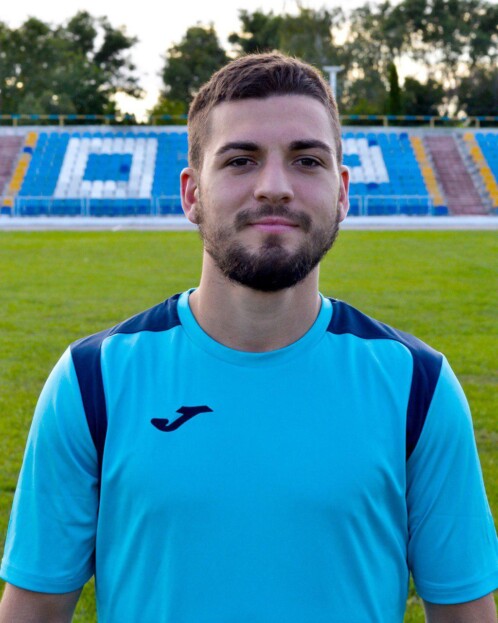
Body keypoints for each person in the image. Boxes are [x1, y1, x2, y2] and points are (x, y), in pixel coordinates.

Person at [0, 52, 497, 623]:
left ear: (341, 192)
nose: (274, 188)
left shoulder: (418, 386)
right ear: (192, 194)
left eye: (306, 160)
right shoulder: (93, 380)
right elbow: (33, 613)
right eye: (241, 160)